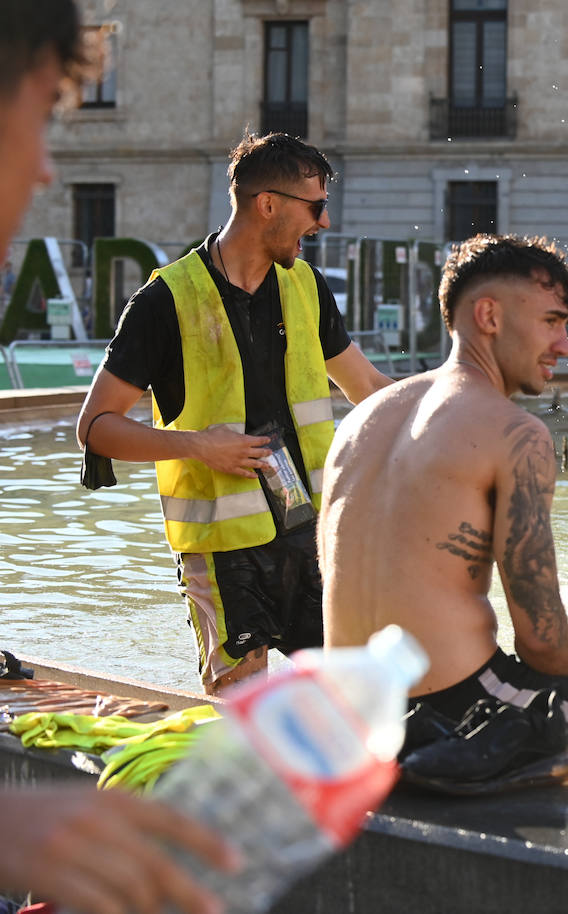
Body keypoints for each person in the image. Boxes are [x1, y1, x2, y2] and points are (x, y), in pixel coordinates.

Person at [319, 233, 568, 785]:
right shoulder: (515, 434)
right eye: (551, 322)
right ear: (488, 315)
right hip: (455, 708)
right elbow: (540, 634)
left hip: (349, 706)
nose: (564, 343)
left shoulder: (365, 419)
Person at [0, 2, 238, 910]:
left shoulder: (296, 293)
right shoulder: (170, 296)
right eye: (34, 118)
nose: (47, 164)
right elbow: (96, 425)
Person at [75, 131, 394, 695]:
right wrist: (199, 445)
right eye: (316, 207)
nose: (322, 223)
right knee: (247, 707)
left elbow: (367, 386)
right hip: (222, 552)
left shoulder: (307, 287)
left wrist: (454, 408)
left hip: (309, 532)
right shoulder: (163, 301)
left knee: (355, 696)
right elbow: (96, 428)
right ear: (268, 204)